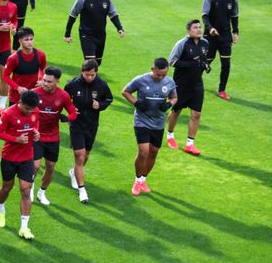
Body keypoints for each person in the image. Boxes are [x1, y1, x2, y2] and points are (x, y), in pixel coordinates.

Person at [122, 58, 177, 196]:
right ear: (153, 69)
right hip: (141, 121)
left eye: (164, 75)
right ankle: (137, 179)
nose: (161, 77)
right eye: (158, 74)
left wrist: (169, 104)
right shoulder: (141, 80)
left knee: (153, 151)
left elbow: (174, 97)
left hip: (158, 122)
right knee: (143, 152)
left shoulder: (169, 82)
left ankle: (143, 179)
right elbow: (125, 91)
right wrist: (136, 103)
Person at [64, 59, 113, 204]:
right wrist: (71, 108)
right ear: (82, 72)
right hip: (76, 124)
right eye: (87, 75)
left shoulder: (102, 84)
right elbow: (63, 98)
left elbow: (109, 98)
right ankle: (82, 190)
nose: (90, 77)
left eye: (92, 75)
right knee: (80, 155)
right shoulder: (73, 84)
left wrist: (101, 105)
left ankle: (74, 172)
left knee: (86, 155)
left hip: (92, 124)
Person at [0, 90, 40, 240]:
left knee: (26, 190)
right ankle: (1, 208)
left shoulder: (35, 111)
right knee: (7, 187)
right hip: (9, 157)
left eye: (31, 109)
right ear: (20, 102)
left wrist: (36, 132)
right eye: (27, 108)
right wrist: (16, 139)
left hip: (27, 157)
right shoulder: (8, 113)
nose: (29, 112)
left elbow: (36, 123)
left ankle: (24, 227)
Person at [32, 66, 77, 205]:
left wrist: (67, 118)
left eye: (49, 81)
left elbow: (73, 113)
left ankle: (41, 192)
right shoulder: (34, 93)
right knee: (35, 166)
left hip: (53, 137)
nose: (45, 83)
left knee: (50, 166)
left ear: (57, 81)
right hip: (37, 135)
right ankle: (30, 188)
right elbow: (21, 109)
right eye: (44, 80)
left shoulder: (63, 96)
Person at [166, 19, 210, 156]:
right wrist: (191, 64)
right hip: (181, 84)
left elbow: (203, 59)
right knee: (176, 110)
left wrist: (206, 65)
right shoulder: (182, 44)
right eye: (195, 27)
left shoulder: (205, 43)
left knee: (196, 114)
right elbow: (172, 61)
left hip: (197, 83)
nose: (199, 30)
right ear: (188, 31)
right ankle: (170, 135)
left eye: (200, 27)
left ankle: (189, 144)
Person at [64, 0, 124, 66]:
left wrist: (119, 28)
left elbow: (113, 14)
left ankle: (87, 77)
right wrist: (67, 34)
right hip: (86, 35)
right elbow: (73, 15)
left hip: (101, 35)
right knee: (90, 63)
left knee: (97, 64)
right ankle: (83, 78)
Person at [202, 0, 240, 100]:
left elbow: (234, 17)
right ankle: (193, 81)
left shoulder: (233, 0)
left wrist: (235, 32)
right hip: (210, 35)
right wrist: (210, 28)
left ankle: (222, 90)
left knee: (226, 64)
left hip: (224, 36)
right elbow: (205, 16)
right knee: (206, 61)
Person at [1, 27, 47, 109]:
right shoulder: (13, 58)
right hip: (16, 96)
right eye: (26, 40)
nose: (30, 42)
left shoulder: (41, 54)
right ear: (20, 41)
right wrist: (17, 87)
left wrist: (42, 80)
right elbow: (5, 76)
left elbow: (43, 70)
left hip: (34, 94)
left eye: (31, 39)